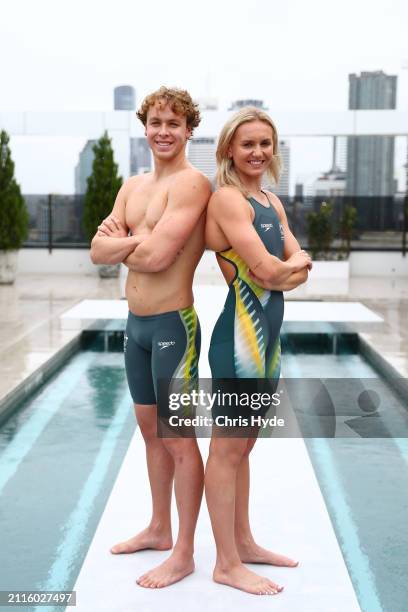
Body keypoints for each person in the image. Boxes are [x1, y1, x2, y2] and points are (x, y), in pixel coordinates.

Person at [90, 86, 212, 589]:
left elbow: (159, 259)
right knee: (149, 432)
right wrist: (132, 243)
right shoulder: (132, 186)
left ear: (188, 131)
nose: (164, 132)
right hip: (135, 325)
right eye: (156, 122)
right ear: (146, 127)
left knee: (179, 438)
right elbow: (97, 252)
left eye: (174, 124)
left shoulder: (192, 185)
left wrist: (123, 244)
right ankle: (159, 528)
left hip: (171, 327)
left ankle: (183, 551)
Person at [205, 107, 312, 596]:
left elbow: (295, 262)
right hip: (239, 341)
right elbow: (273, 273)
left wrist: (289, 266)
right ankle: (226, 563)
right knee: (228, 448)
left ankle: (244, 542)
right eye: (247, 143)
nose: (257, 152)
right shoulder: (229, 200)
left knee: (244, 446)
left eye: (265, 143)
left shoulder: (270, 200)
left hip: (268, 341)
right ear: (229, 148)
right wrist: (289, 267)